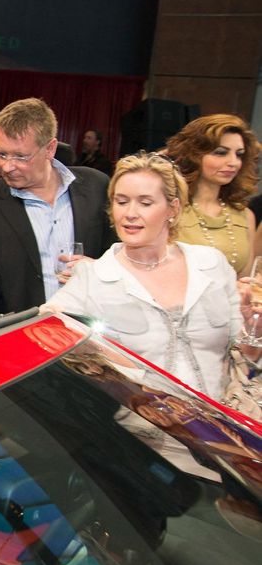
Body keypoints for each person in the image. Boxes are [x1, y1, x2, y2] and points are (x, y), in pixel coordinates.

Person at [41, 152, 259, 402]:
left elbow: (245, 354)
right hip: (142, 433)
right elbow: (44, 331)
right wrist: (111, 364)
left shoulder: (211, 264)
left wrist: (254, 329)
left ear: (173, 209)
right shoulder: (92, 277)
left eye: (145, 203)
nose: (130, 213)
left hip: (223, 429)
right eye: (121, 201)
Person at [0, 97, 115, 317]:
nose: (6, 166)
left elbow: (124, 258)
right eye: (1, 154)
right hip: (21, 339)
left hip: (91, 331)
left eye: (20, 156)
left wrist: (98, 271)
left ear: (50, 148)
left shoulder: (96, 186)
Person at [166, 114, 258, 277]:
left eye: (239, 154)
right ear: (193, 155)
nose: (233, 162)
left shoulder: (244, 215)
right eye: (221, 152)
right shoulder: (169, 210)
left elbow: (245, 280)